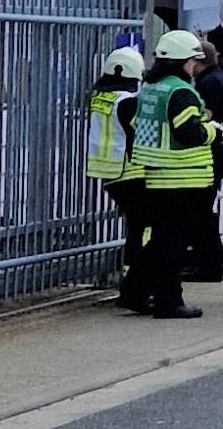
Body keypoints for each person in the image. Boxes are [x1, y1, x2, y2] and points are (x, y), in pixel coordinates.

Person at [129, 30, 223, 319]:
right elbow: (188, 132)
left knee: (160, 240)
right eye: (193, 61)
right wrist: (213, 131)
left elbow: (139, 124)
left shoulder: (150, 88)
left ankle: (134, 291)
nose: (195, 66)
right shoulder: (180, 91)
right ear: (182, 61)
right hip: (184, 178)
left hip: (156, 175)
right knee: (173, 245)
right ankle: (169, 301)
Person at [87, 47, 150, 312]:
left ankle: (130, 279)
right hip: (130, 171)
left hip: (107, 173)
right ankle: (137, 283)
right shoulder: (128, 102)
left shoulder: (99, 97)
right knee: (144, 228)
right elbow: (144, 133)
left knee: (136, 227)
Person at [185, 41, 223, 282]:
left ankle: (207, 264)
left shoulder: (208, 83)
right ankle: (208, 262)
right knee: (205, 207)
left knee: (201, 209)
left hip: (211, 149)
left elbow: (204, 118)